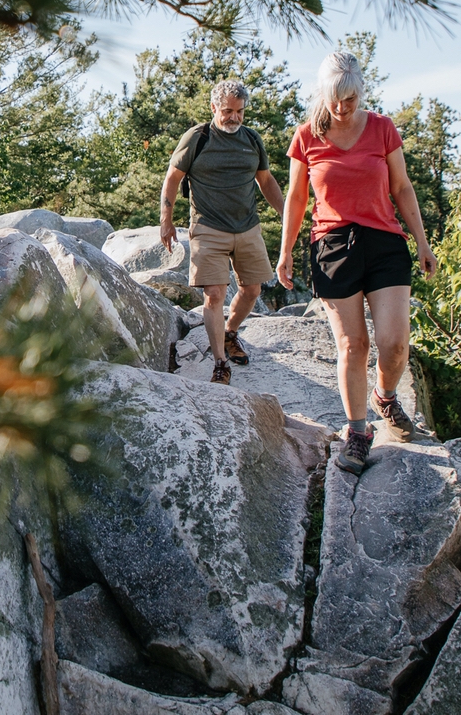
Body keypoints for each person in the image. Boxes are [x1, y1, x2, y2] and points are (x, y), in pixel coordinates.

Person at [276, 52, 437, 474]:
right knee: (353, 344)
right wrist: (286, 250)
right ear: (323, 93)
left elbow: (402, 187)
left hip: (384, 242)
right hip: (332, 247)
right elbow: (296, 200)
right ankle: (358, 431)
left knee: (394, 342)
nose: (342, 108)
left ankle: (385, 395)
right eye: (335, 99)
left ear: (360, 92)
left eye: (350, 99)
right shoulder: (307, 136)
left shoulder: (382, 128)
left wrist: (422, 242)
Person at [160, 80, 285, 384]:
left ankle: (230, 333)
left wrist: (287, 215)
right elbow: (173, 177)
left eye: (239, 111)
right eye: (227, 111)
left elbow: (266, 181)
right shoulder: (197, 138)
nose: (234, 117)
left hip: (247, 226)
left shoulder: (252, 140)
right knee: (214, 295)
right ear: (213, 107)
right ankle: (220, 363)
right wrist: (167, 218)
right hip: (207, 227)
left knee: (253, 290)